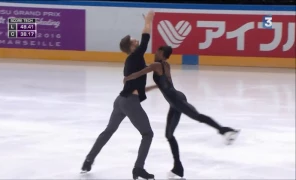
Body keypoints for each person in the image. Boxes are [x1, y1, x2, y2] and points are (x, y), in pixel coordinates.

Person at [123, 46, 240, 178]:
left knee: (197, 116)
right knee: (169, 135)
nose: (155, 54)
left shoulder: (156, 65)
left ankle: (225, 130)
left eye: (157, 52)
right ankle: (177, 168)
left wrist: (128, 77)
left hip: (176, 100)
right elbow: (164, 84)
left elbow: (141, 72)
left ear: (161, 53)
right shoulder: (166, 65)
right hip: (175, 100)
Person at [81, 10, 155, 180]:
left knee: (108, 131)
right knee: (147, 134)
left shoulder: (133, 61)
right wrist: (148, 22)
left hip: (121, 101)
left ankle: (88, 160)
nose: (136, 40)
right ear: (130, 47)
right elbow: (145, 40)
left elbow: (135, 85)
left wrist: (156, 86)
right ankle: (138, 168)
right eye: (133, 41)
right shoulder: (135, 56)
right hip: (130, 102)